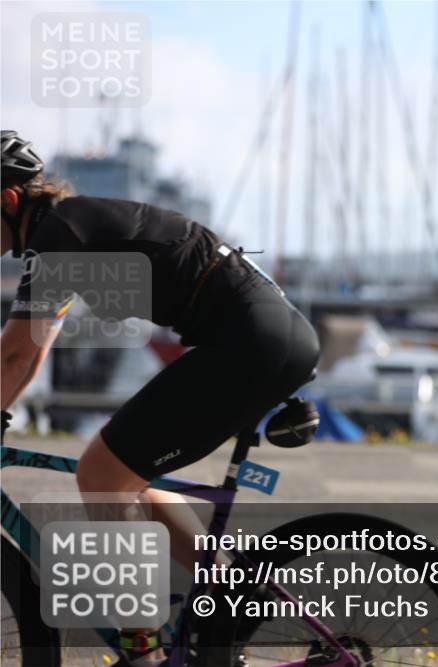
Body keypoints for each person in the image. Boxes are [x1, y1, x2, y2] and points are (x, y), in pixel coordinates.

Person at [0, 130, 320, 664]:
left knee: (100, 474)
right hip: (261, 337)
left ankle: (142, 651)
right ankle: (231, 591)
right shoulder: (68, 229)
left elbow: (14, 354)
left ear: (8, 200)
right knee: (124, 476)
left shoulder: (60, 235)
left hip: (249, 342)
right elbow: (31, 349)